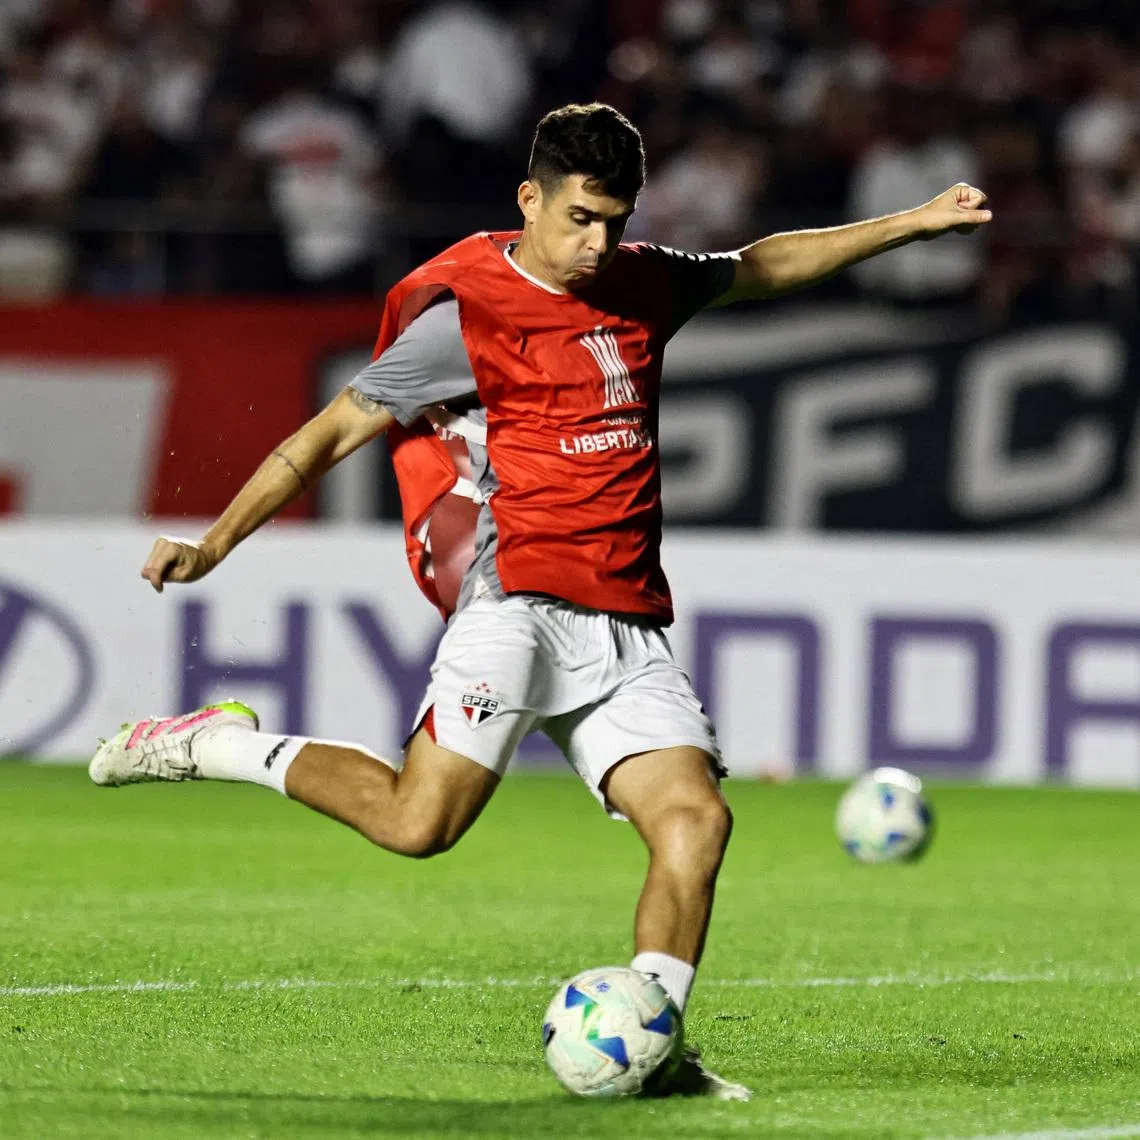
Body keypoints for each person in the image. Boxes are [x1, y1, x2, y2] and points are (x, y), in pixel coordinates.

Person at [90, 103, 991, 1099]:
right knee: (417, 824)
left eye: (615, 219)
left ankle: (654, 1044)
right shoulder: (465, 318)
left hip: (626, 617)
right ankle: (209, 744)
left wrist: (912, 221)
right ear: (530, 198)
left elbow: (763, 265)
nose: (599, 243)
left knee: (696, 824)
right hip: (514, 595)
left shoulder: (642, 281)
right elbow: (329, 434)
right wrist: (214, 542)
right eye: (579, 218)